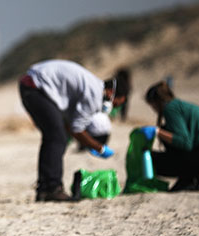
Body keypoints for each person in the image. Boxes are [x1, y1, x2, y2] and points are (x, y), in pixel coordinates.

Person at [19, 59, 128, 202]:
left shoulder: (92, 86)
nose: (112, 106)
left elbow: (69, 125)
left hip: (33, 84)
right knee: (57, 137)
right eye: (115, 103)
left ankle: (45, 189)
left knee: (54, 136)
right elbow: (77, 129)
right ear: (110, 92)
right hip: (35, 87)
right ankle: (52, 188)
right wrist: (99, 147)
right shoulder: (94, 95)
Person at [140, 81, 199, 192]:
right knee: (165, 133)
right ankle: (191, 178)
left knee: (153, 160)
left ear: (156, 102)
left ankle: (195, 176)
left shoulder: (170, 108)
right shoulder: (178, 105)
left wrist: (157, 132)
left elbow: (185, 143)